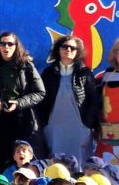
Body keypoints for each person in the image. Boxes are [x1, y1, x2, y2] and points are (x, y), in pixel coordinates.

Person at [0, 31, 46, 172]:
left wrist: (18, 103)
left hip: (22, 118)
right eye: (3, 44)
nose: (6, 47)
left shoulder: (26, 66)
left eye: (10, 44)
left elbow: (40, 92)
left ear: (16, 46)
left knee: (23, 157)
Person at [38, 35, 99, 163]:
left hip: (79, 127)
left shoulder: (85, 73)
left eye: (73, 48)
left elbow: (94, 101)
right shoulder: (49, 73)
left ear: (78, 52)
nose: (68, 50)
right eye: (64, 47)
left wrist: (87, 125)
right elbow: (41, 100)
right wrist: (44, 124)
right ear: (58, 50)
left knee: (79, 161)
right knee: (55, 161)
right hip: (54, 127)